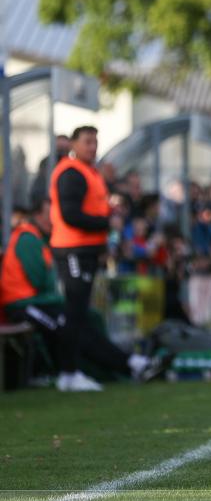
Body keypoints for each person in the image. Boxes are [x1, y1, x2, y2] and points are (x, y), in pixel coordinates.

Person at [0, 200, 159, 390]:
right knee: (67, 326)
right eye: (50, 213)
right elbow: (40, 280)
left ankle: (129, 364)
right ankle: (72, 372)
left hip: (40, 302)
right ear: (38, 214)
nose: (54, 219)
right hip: (22, 305)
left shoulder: (40, 239)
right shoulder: (27, 239)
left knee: (85, 318)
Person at [48, 126, 115, 391]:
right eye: (87, 141)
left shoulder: (90, 172)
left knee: (79, 312)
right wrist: (106, 222)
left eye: (95, 141)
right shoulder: (71, 173)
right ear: (74, 144)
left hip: (86, 250)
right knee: (73, 312)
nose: (93, 146)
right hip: (72, 250)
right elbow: (71, 215)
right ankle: (68, 372)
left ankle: (70, 371)